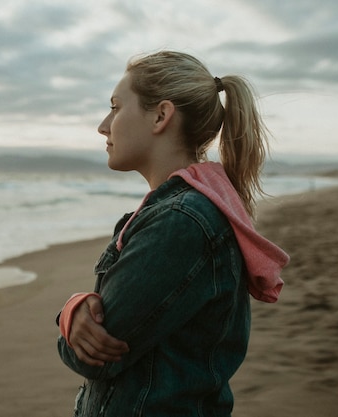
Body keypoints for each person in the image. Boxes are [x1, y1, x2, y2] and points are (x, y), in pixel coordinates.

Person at [56, 51, 290, 416]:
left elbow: (94, 358)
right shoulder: (184, 212)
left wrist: (67, 321)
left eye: (116, 108)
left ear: (161, 116)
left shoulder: (180, 222)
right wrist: (75, 307)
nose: (104, 125)